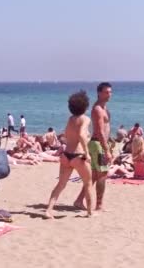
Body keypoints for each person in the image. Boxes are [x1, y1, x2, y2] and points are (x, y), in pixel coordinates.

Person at [45, 90, 93, 219]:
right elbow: (82, 135)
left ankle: (49, 210)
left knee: (61, 184)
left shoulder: (70, 119)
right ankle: (89, 212)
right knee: (88, 183)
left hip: (66, 155)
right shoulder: (85, 119)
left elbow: (67, 135)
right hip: (78, 155)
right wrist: (87, 153)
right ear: (85, 106)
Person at [74, 82, 113, 212]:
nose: (109, 95)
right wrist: (106, 149)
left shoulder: (104, 108)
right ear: (99, 93)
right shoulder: (97, 109)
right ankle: (99, 205)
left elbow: (106, 129)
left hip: (100, 143)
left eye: (110, 92)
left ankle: (79, 200)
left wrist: (109, 142)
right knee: (102, 174)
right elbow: (100, 131)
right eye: (106, 92)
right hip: (98, 144)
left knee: (94, 176)